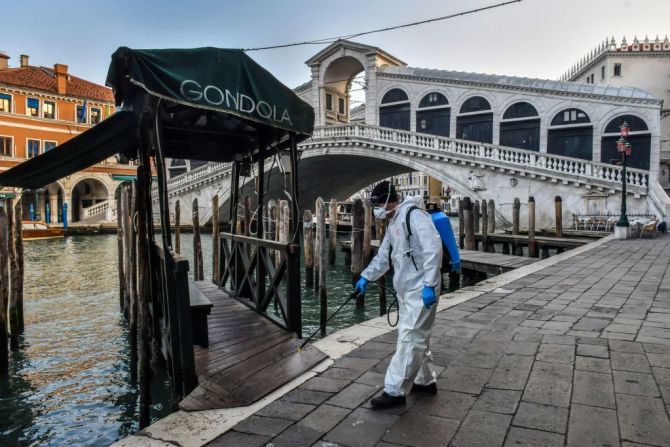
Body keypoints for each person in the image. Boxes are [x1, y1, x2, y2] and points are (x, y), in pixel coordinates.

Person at [354, 181, 443, 409]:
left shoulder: (415, 216)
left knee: (410, 337)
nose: (376, 209)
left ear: (388, 200)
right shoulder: (394, 222)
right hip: (406, 291)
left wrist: (429, 284)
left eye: (377, 203)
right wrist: (366, 277)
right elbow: (384, 256)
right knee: (416, 336)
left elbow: (434, 249)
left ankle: (394, 391)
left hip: (422, 288)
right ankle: (425, 380)